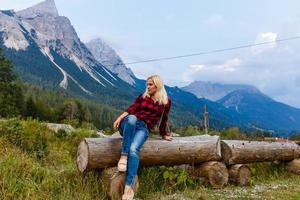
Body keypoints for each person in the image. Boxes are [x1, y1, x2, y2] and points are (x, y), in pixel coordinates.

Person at [113, 75, 172, 200]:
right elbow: (131, 109)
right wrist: (119, 118)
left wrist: (164, 134)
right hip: (128, 124)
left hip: (143, 128)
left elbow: (164, 119)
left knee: (134, 149)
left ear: (157, 85)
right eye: (147, 84)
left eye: (150, 84)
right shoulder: (143, 96)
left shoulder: (165, 101)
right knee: (133, 118)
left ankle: (128, 187)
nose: (148, 87)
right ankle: (123, 156)